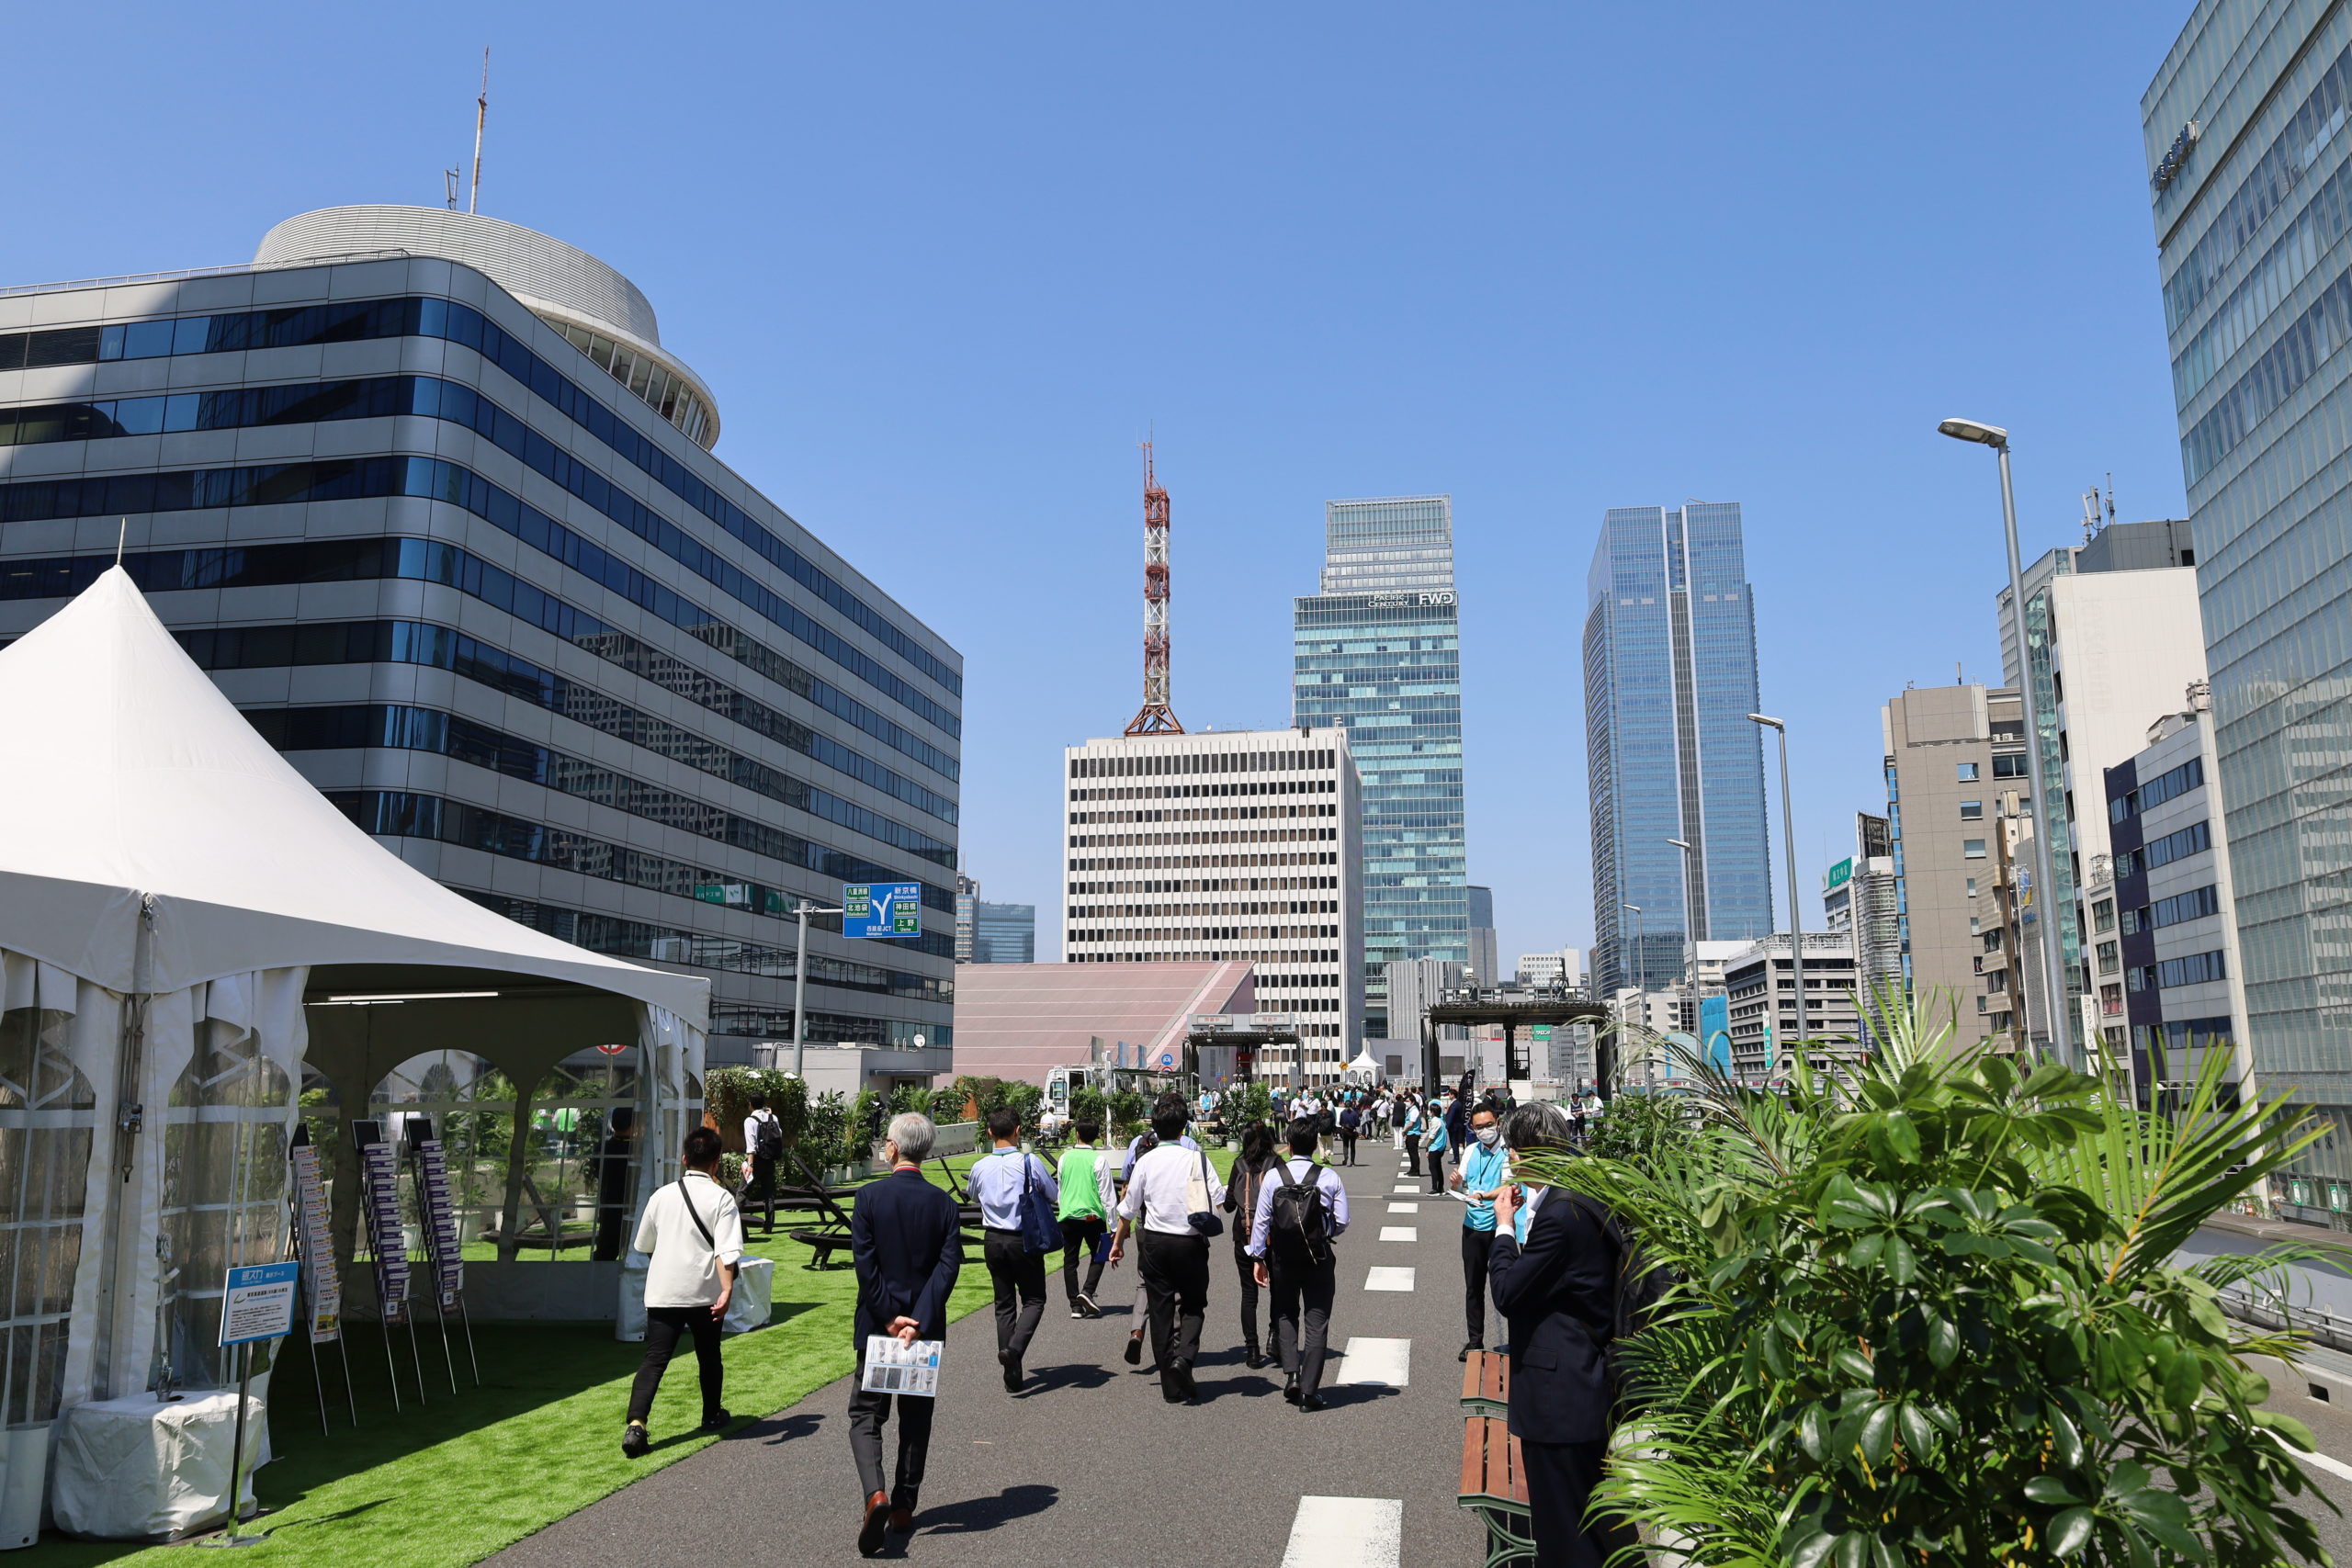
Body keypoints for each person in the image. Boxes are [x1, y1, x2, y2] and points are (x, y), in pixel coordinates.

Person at [1489, 1102, 1630, 1568]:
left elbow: (1508, 1292)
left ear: (1532, 1151)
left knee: (1564, 1534)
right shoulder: (1582, 1194)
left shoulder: (1558, 1214)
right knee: (1586, 1523)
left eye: (1512, 1148)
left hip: (1560, 1394)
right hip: (1584, 1381)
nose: (1508, 1158)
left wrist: (1504, 1230)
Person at [849, 1112, 963, 1556]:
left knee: (866, 1416)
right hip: (924, 1329)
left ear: (893, 1148)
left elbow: (866, 1266)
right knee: (916, 1420)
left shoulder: (869, 1198)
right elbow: (947, 1267)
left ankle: (874, 1493)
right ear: (928, 1149)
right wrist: (917, 1317)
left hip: (879, 1328)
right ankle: (902, 1505)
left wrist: (890, 1316)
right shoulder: (943, 1204)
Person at [622, 1125, 742, 1458]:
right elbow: (726, 1251)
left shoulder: (661, 1196)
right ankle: (711, 1414)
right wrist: (727, 1289)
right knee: (709, 1354)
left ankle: (636, 1423)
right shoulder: (722, 1199)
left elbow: (643, 1244)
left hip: (663, 1290)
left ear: (684, 1158)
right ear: (716, 1163)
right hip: (704, 1292)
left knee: (655, 1360)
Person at [1108, 1100, 1224, 1403]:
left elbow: (1128, 1210)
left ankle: (1169, 1385)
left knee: (1160, 1312)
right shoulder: (1196, 1158)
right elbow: (1220, 1199)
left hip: (1155, 1243)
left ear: (1155, 1128)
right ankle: (1183, 1359)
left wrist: (1118, 1243)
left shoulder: (1145, 1161)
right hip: (1189, 1241)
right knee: (1194, 1304)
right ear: (1184, 1126)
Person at [1248, 1116, 1351, 1410]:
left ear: (1288, 1146)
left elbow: (1262, 1222)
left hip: (1282, 1256)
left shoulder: (1273, 1177)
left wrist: (1258, 1257)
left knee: (1285, 1313)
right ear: (1316, 1143)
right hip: (1318, 1257)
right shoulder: (1329, 1177)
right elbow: (1343, 1220)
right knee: (1317, 1321)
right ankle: (1309, 1391)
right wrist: (1323, 1233)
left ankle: (1292, 1374)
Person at [967, 1105, 1057, 1393]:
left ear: (990, 1132)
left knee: (1003, 1304)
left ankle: (1012, 1369)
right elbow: (1053, 1194)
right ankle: (1014, 1350)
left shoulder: (980, 1166)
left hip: (993, 1238)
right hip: (1023, 1238)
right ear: (1018, 1131)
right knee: (1034, 1299)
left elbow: (972, 1195)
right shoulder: (1029, 1163)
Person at [1115, 1093, 1199, 1369]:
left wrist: (1119, 1238)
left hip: (1146, 1224)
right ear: (1183, 1121)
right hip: (1183, 1228)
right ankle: (1176, 1348)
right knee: (1179, 1291)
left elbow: (1127, 1181)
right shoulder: (1191, 1147)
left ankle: (1137, 1329)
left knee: (1146, 1279)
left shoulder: (1139, 1144)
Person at [1451, 1095, 1510, 1360]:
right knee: (1473, 1287)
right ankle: (1475, 1341)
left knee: (1506, 1286)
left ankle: (1517, 1340)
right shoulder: (1472, 1150)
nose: (1484, 1131)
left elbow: (1509, 1186)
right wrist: (1456, 1185)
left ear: (1497, 1122)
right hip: (1472, 1226)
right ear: (1473, 1129)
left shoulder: (1509, 1151)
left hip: (1500, 1227)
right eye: (1478, 1127)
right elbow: (1461, 1185)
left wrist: (1484, 1195)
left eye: (1488, 1125)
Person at [1221, 1121, 1280, 1368]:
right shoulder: (1276, 1164)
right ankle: (1274, 1336)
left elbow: (1228, 1205)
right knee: (1279, 1291)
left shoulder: (1239, 1165)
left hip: (1244, 1234)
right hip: (1273, 1236)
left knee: (1249, 1294)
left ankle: (1252, 1349)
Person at [1056, 1117, 1116, 1317]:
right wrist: (1114, 1226)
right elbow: (1107, 1195)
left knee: (1070, 1260)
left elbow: (1061, 1188)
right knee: (1101, 1253)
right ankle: (1088, 1291)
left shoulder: (1065, 1158)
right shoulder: (1099, 1160)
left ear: (1077, 1134)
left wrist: (1063, 1210)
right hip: (1092, 1217)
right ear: (1097, 1137)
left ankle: (1075, 1304)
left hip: (1069, 1216)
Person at [741, 1094, 782, 1236]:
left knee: (742, 1192)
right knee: (769, 1195)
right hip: (769, 1160)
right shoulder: (773, 1118)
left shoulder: (750, 1121)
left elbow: (750, 1144)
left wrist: (750, 1164)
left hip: (756, 1160)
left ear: (750, 1104)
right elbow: (779, 1135)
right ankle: (768, 1226)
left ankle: (734, 1224)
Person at [1424, 1089, 1454, 1197]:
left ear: (1432, 1112)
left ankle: (1435, 1188)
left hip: (1435, 1147)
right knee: (1438, 1167)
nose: (1429, 1112)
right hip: (1440, 1147)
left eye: (1430, 1111)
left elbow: (1432, 1136)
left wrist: (1426, 1146)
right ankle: (1440, 1188)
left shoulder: (1435, 1121)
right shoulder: (1441, 1121)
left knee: (1433, 1168)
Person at [1401, 1093, 1425, 1176]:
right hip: (1410, 1133)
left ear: (1413, 1102)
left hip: (1413, 1134)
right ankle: (1412, 1169)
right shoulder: (1410, 1110)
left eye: (1407, 1101)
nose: (1406, 1103)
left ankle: (1416, 1170)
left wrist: (1404, 1131)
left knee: (1414, 1153)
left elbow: (1411, 1124)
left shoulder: (1414, 1111)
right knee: (1411, 1153)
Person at [1337, 1100, 1361, 1167]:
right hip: (1352, 1130)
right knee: (1352, 1146)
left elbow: (1340, 1123)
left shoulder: (1342, 1113)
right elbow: (1358, 1123)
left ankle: (1346, 1157)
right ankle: (1352, 1161)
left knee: (1345, 1145)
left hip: (1345, 1130)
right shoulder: (1355, 1113)